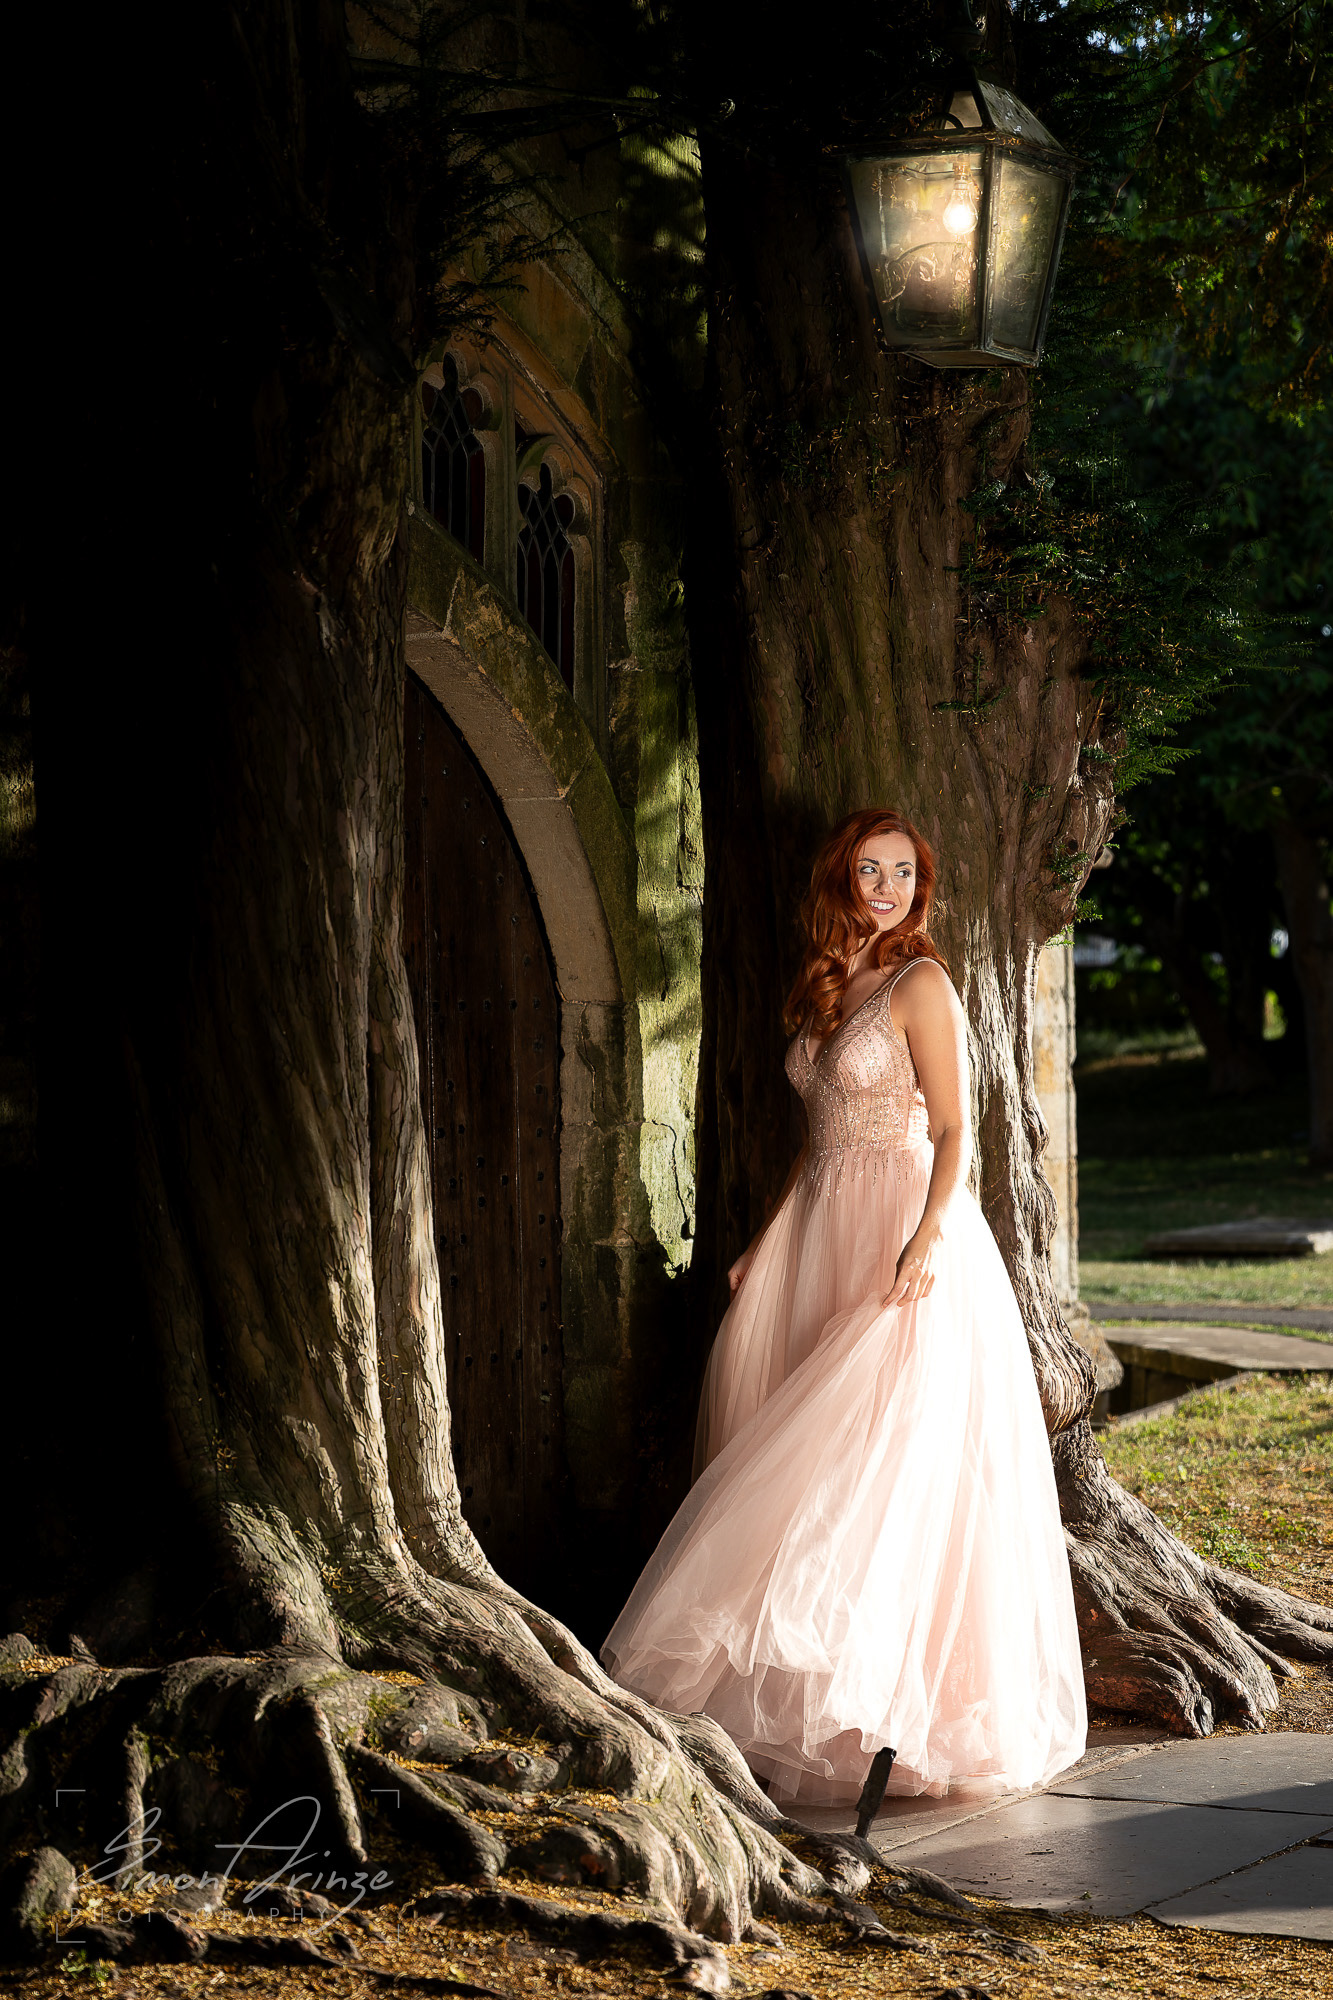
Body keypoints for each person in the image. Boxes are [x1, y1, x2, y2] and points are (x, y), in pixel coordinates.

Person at [602, 807, 1087, 1804]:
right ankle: (801, 1698)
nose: (889, 887)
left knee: (863, 1462)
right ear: (840, 877)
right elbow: (816, 1142)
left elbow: (955, 1131)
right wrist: (763, 1240)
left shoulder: (922, 983)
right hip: (822, 1227)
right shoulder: (825, 983)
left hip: (905, 1237)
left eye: (905, 872)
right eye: (871, 870)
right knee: (798, 1442)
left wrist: (923, 1238)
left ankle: (890, 1705)